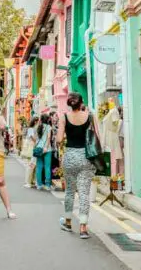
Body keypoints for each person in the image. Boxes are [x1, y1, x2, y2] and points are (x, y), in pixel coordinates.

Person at [57, 92, 96, 239]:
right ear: (81, 103)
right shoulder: (90, 116)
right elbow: (97, 136)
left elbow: (59, 139)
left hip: (70, 156)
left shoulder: (64, 117)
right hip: (86, 157)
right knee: (84, 193)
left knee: (69, 192)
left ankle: (67, 222)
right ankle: (83, 227)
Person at [35, 113, 53, 191]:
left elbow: (36, 138)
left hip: (39, 148)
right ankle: (48, 185)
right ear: (47, 119)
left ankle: (39, 184)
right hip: (47, 149)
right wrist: (45, 147)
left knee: (39, 166)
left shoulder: (38, 126)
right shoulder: (49, 127)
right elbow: (49, 138)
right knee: (47, 167)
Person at [23, 117, 39, 188]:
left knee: (33, 165)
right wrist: (38, 141)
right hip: (31, 148)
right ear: (35, 122)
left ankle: (32, 181)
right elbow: (33, 138)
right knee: (30, 165)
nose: (39, 123)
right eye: (38, 121)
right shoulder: (31, 129)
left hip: (33, 148)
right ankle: (28, 182)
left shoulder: (33, 129)